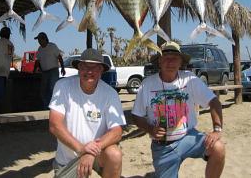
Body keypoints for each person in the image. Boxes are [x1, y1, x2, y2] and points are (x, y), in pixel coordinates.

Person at [132, 41, 225, 178]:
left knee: (218, 148)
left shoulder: (190, 79)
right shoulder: (147, 84)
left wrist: (217, 129)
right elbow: (137, 116)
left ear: (180, 62)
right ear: (159, 62)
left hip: (188, 136)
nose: (170, 62)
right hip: (163, 147)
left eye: (174, 58)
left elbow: (214, 102)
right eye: (166, 58)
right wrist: (150, 128)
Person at [49, 48, 126, 178]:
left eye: (95, 67)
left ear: (101, 70)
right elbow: (54, 125)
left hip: (97, 154)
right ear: (79, 67)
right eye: (85, 66)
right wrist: (80, 149)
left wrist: (91, 151)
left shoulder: (110, 93)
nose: (89, 71)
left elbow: (117, 131)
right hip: (69, 159)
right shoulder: (62, 86)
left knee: (115, 155)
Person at [33, 32, 66, 109]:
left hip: (53, 71)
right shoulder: (40, 49)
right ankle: (46, 107)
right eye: (38, 40)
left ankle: (55, 106)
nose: (39, 42)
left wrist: (63, 68)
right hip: (44, 72)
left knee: (53, 88)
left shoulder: (52, 46)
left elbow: (59, 57)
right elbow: (37, 61)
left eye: (39, 40)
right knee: (43, 90)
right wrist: (34, 70)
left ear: (44, 39)